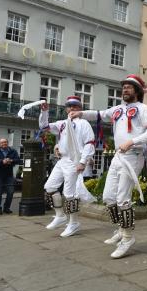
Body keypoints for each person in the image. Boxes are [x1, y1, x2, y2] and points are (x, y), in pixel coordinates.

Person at [69, 74, 147, 259]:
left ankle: (127, 238)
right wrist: (80, 113)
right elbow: (100, 114)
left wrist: (132, 142)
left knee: (123, 199)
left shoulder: (144, 109)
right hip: (118, 156)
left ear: (138, 91)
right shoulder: (118, 109)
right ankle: (120, 229)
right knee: (109, 197)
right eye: (124, 86)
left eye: (130, 87)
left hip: (133, 155)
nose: (125, 89)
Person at [39, 96, 95, 237]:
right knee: (50, 187)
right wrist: (44, 112)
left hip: (73, 160)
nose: (72, 109)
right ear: (66, 109)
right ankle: (60, 215)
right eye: (69, 106)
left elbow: (89, 143)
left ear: (79, 108)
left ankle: (73, 223)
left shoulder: (83, 123)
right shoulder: (63, 123)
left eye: (75, 106)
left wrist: (82, 162)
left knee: (69, 194)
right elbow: (45, 127)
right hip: (62, 160)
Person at [0, 138, 22, 215]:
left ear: (7, 143)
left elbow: (18, 160)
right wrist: (2, 161)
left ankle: (6, 208)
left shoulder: (12, 151)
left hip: (9, 175)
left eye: (5, 142)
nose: (4, 143)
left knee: (11, 192)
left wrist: (11, 160)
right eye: (2, 142)